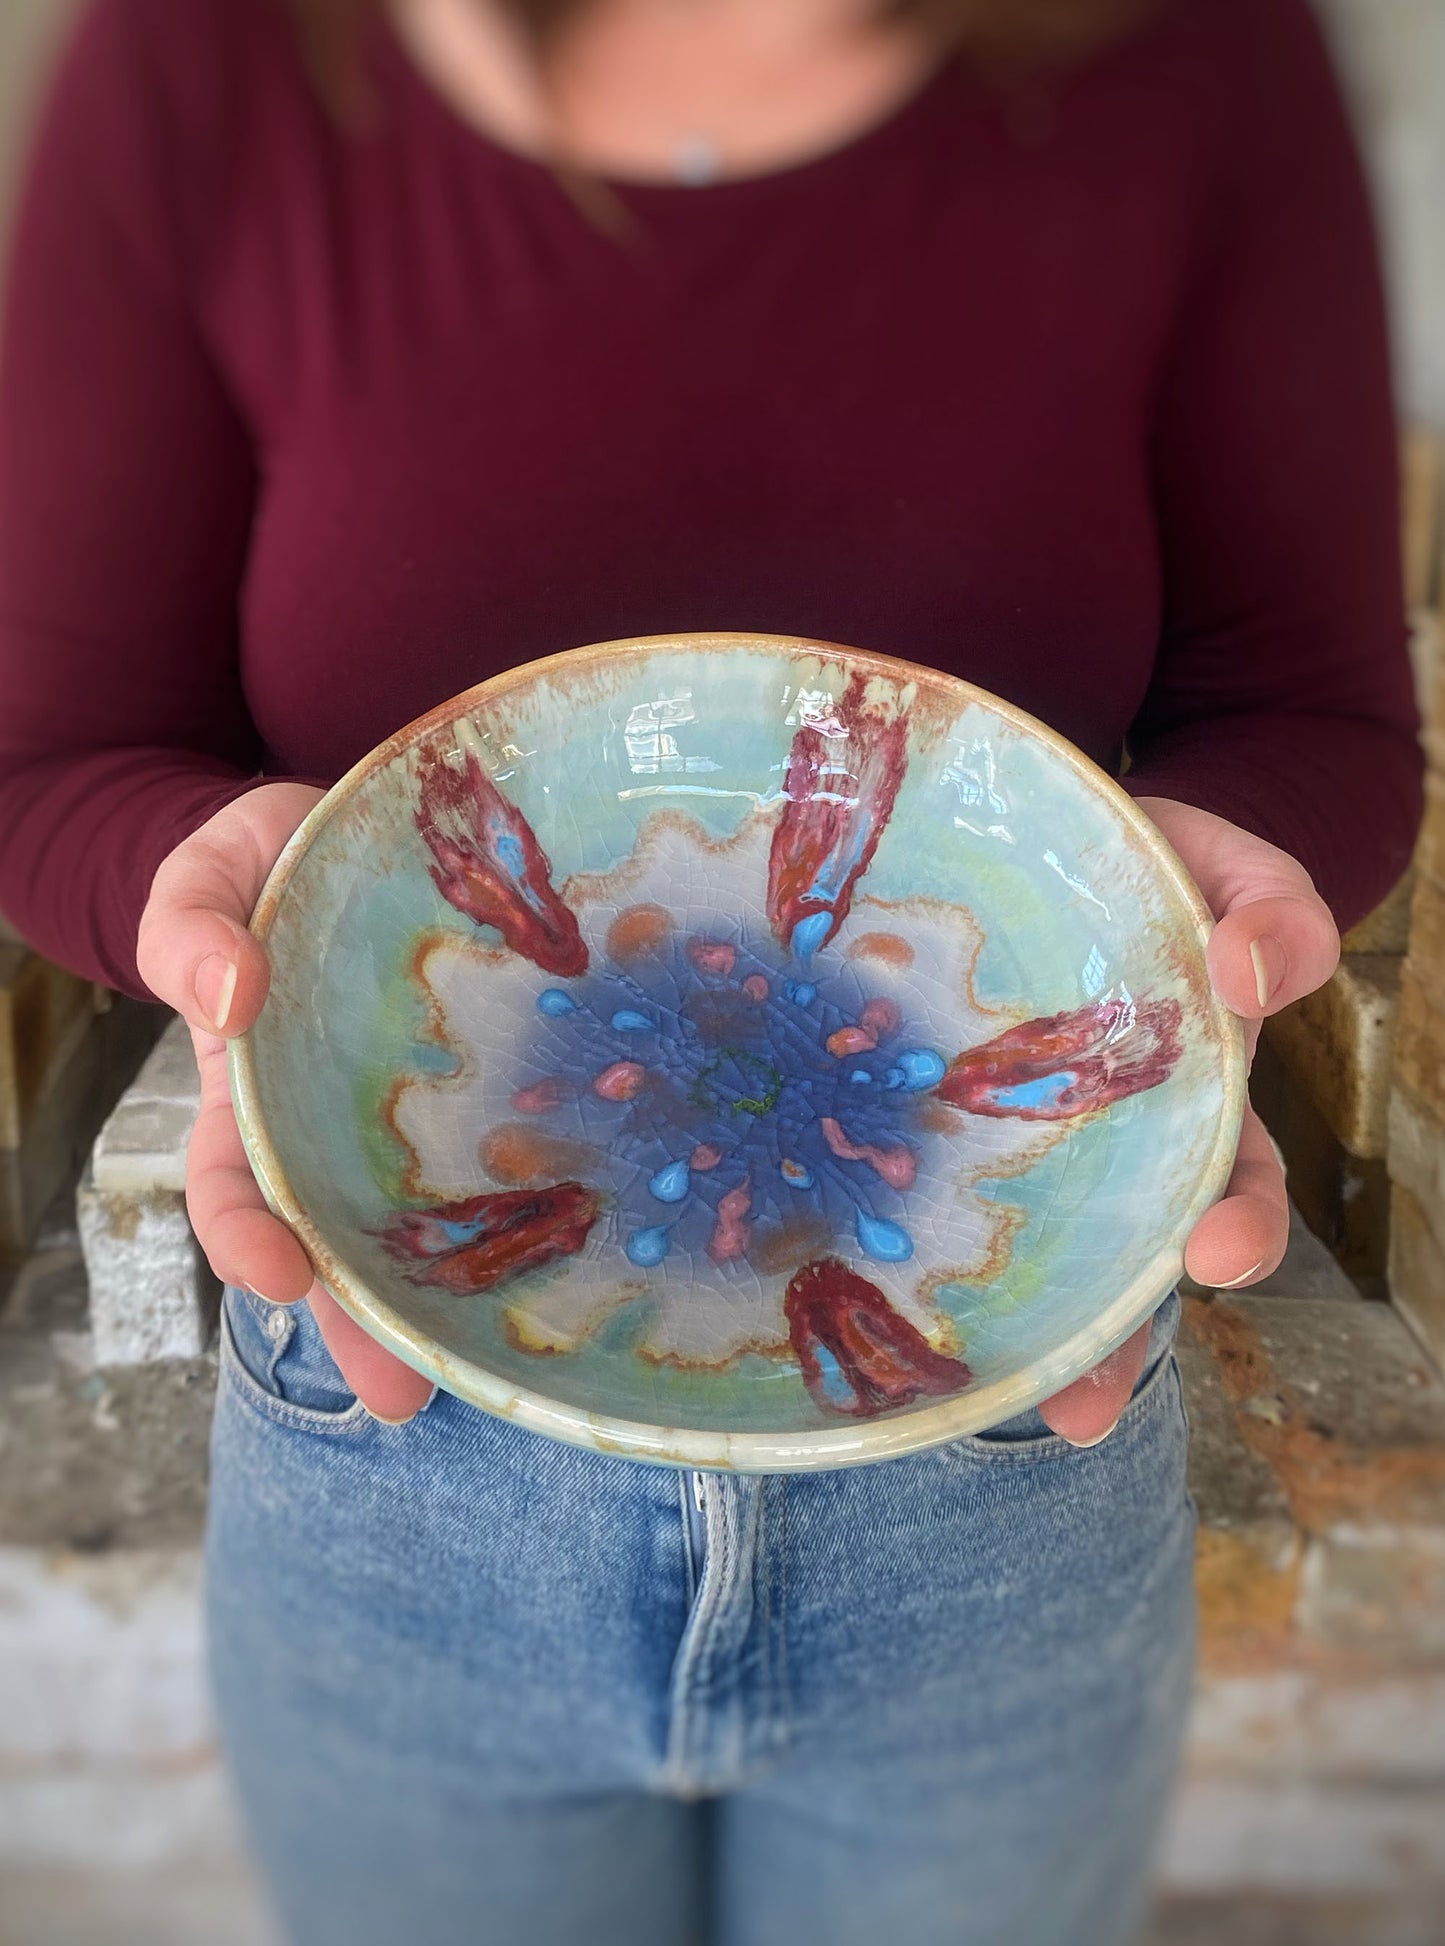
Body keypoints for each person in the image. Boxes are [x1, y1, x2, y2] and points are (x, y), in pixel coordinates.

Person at [0, 0, 1422, 1938]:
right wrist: (205, 875)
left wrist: (1202, 915)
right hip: (393, 1429)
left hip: (1004, 1432)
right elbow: (52, 760)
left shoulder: (1194, 55)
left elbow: (1310, 715)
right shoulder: (207, 62)